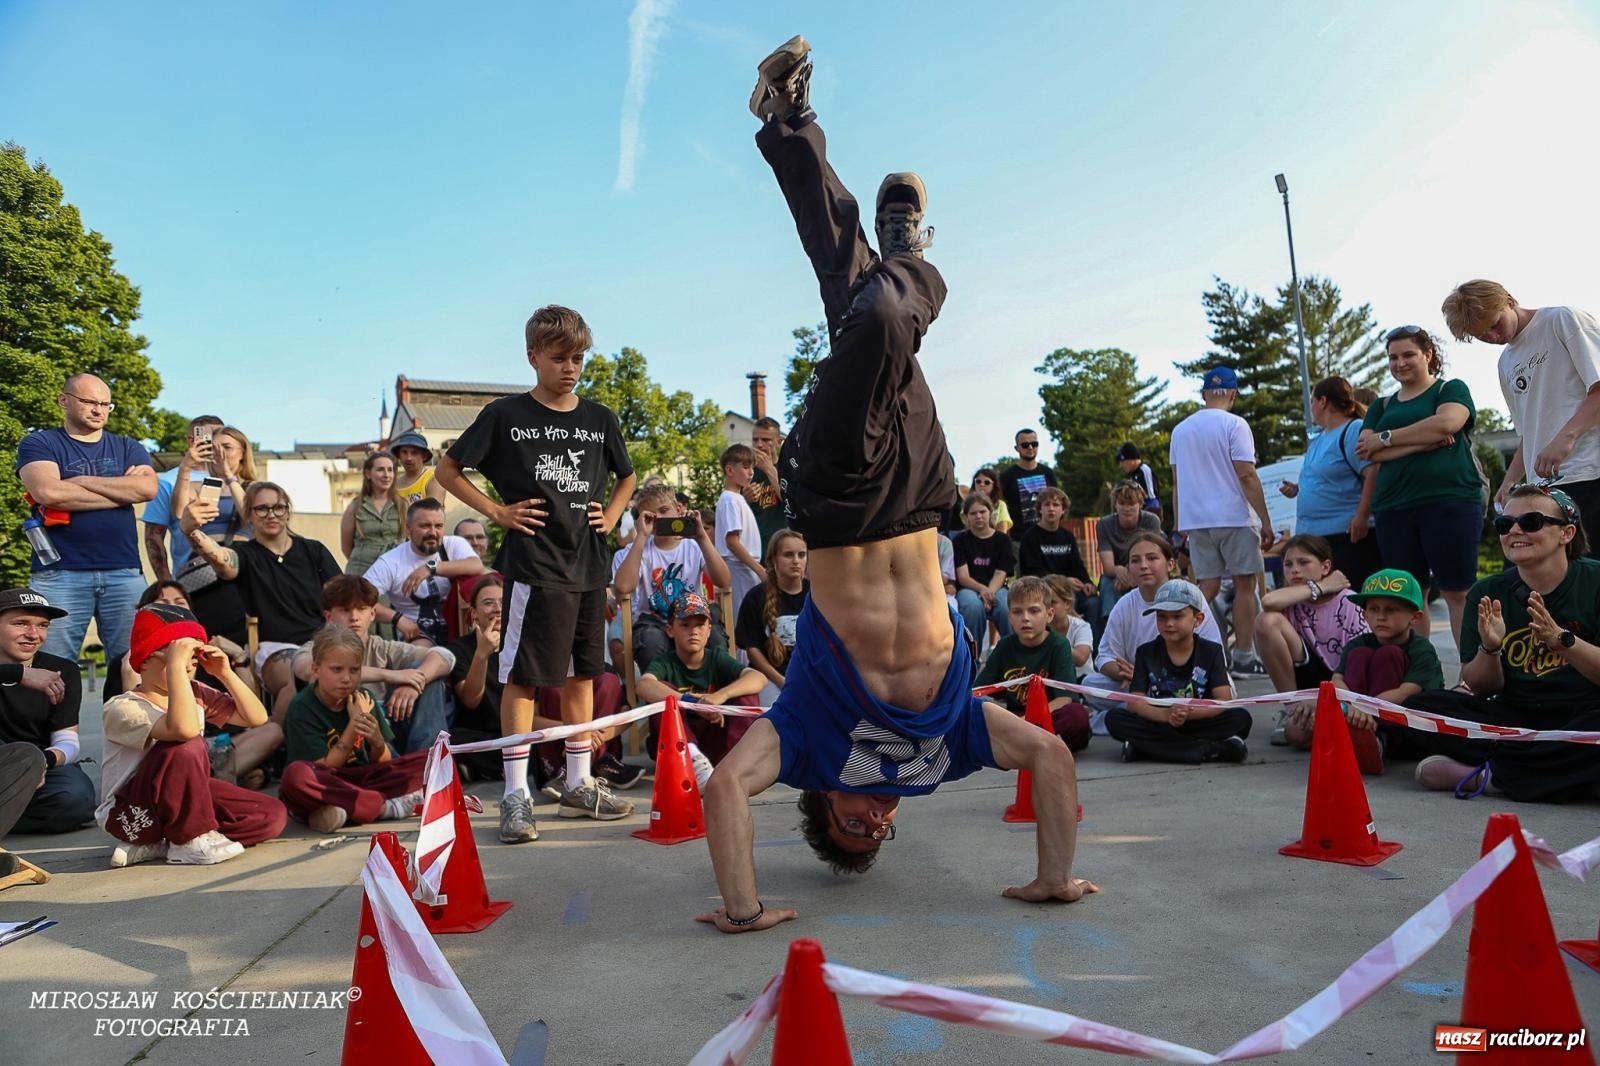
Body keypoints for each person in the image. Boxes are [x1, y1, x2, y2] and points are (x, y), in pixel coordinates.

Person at [698, 37, 1093, 935]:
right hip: (920, 497)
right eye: (879, 829)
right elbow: (1051, 762)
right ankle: (787, 124)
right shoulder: (946, 750)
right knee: (856, 303)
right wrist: (1054, 879)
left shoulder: (803, 739)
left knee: (878, 312)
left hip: (836, 502)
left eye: (852, 823)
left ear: (818, 805)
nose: (875, 813)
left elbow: (724, 787)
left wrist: (742, 906)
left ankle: (909, 253)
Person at [437, 303, 639, 842]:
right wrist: (498, 513)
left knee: (582, 676)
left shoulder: (600, 418)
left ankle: (577, 784)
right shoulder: (506, 414)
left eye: (578, 358)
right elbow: (448, 470)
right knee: (524, 678)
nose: (570, 367)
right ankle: (517, 794)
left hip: (589, 564)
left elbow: (628, 475)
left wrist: (614, 514)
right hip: (535, 564)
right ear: (533, 357)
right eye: (559, 358)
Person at [1403, 487, 1600, 802]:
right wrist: (1490, 648)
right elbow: (1479, 685)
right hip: (1516, 716)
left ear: (1567, 533)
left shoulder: (1595, 581)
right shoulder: (1487, 592)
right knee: (1421, 710)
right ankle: (1571, 776)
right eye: (1505, 524)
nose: (1515, 531)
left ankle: (1492, 776)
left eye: (1531, 521)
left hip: (1586, 712)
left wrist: (1563, 641)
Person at [97, 604, 287, 867]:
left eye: (193, 659)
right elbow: (182, 730)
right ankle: (187, 839)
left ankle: (171, 841)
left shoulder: (195, 692)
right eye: (176, 657)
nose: (187, 666)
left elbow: (257, 718)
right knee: (186, 745)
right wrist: (176, 665)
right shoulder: (122, 708)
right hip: (130, 814)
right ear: (146, 660)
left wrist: (225, 674)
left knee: (271, 814)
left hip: (181, 800)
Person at [1443, 280, 1600, 553]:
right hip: (1547, 488)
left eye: (1494, 324)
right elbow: (1529, 431)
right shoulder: (1505, 362)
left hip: (1590, 472)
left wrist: (1566, 438)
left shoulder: (1561, 320)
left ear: (1510, 300)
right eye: (1481, 335)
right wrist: (1509, 480)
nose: (1492, 337)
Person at [446, 576, 635, 796]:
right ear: (474, 613)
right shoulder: (461, 649)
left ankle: (583, 764)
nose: (497, 609)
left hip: (542, 734)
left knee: (603, 681)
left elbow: (626, 710)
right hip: (494, 735)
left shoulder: (531, 644)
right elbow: (470, 700)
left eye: (502, 602)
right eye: (488, 603)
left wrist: (585, 732)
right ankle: (595, 764)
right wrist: (481, 655)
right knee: (457, 739)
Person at [16, 373, 158, 664]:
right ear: (63, 400)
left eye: (106, 404)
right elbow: (48, 492)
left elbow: (147, 488)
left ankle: (126, 713)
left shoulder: (128, 447)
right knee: (54, 666)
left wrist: (78, 480)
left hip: (124, 572)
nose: (99, 410)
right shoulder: (39, 443)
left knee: (136, 664)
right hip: (59, 574)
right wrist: (121, 491)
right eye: (90, 402)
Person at [1355, 326, 1483, 646]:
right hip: (1393, 507)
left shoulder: (1450, 389)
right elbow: (1365, 450)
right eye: (1393, 357)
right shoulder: (1381, 405)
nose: (1400, 363)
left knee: (1458, 591)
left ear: (1428, 355)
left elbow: (1446, 423)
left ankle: (1472, 678)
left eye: (1408, 354)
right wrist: (1420, 443)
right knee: (1410, 594)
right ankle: (1421, 675)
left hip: (1450, 501)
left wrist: (1385, 439)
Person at [180, 481, 343, 721]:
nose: (272, 514)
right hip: (274, 648)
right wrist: (192, 531)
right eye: (262, 509)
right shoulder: (245, 554)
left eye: (278, 507)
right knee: (299, 678)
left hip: (322, 643)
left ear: (288, 512)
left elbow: (341, 597)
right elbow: (224, 562)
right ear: (249, 515)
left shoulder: (313, 550)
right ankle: (274, 738)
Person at [1169, 366, 1275, 674]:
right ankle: (1244, 655)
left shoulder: (1181, 429)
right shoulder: (1235, 424)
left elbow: (1177, 482)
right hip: (1233, 516)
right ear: (1233, 393)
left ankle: (1191, 650)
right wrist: (1265, 520)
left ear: (1203, 394)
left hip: (1196, 519)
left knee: (1207, 587)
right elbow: (1247, 474)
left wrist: (1179, 524)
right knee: (1244, 583)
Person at [280, 626, 427, 832]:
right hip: (325, 782)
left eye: (354, 670)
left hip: (360, 780)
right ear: (316, 669)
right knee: (296, 777)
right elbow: (324, 768)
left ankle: (338, 812)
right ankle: (384, 808)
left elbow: (384, 762)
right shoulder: (302, 707)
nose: (347, 678)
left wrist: (376, 740)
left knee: (428, 761)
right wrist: (354, 725)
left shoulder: (364, 697)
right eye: (337, 670)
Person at [290, 576, 456, 755]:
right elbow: (309, 670)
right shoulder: (315, 648)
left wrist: (416, 682)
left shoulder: (382, 647)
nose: (354, 618)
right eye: (345, 610)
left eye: (361, 609)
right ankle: (418, 767)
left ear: (372, 614)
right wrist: (390, 675)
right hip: (343, 736)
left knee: (429, 677)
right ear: (329, 617)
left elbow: (445, 656)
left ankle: (429, 762)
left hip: (387, 730)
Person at [1082, 534, 1223, 733]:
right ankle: (1151, 713)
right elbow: (1104, 657)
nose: (1144, 565)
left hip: (1188, 684)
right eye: (1135, 560)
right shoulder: (1124, 605)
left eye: (1152, 558)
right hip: (1138, 685)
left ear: (1170, 563)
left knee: (1226, 694)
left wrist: (1153, 676)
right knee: (1090, 685)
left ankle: (1140, 717)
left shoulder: (1191, 596)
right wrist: (1132, 673)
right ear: (1128, 568)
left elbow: (1213, 653)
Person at [1104, 579, 1249, 764]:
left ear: (1198, 619)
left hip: (1198, 719)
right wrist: (1166, 716)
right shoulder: (1145, 652)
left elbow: (1223, 699)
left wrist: (1189, 713)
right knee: (1115, 719)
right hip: (1160, 721)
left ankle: (1145, 750)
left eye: (1177, 616)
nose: (1169, 623)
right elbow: (1135, 702)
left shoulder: (1211, 651)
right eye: (1162, 616)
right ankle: (1208, 750)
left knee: (1241, 718)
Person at [1319, 569, 1444, 776]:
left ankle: (1378, 741)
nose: (1381, 617)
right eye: (1374, 609)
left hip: (1409, 730)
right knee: (1359, 655)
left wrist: (1365, 709)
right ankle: (1355, 734)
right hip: (1362, 714)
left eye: (1392, 609)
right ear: (1364, 613)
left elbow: (1405, 692)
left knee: (1389, 654)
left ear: (1415, 617)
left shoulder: (1422, 649)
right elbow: (1337, 679)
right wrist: (1351, 708)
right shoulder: (1357, 644)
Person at [1254, 535, 1368, 746]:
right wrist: (1321, 586)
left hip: (1344, 684)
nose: (1294, 570)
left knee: (1299, 735)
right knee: (1266, 621)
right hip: (1308, 686)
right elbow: (1268, 601)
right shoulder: (1289, 600)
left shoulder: (1348, 601)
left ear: (1325, 567)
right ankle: (1293, 707)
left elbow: (1361, 662)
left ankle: (1334, 724)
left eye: (1303, 562)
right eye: (1288, 564)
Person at [0, 588, 94, 833]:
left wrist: (43, 762)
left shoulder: (62, 671)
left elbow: (68, 743)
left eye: (42, 625)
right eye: (20, 623)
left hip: (42, 767)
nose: (33, 635)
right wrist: (19, 673)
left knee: (77, 799)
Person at [1276, 377, 1384, 588]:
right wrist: (1298, 490)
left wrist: (1362, 516)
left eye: (1313, 401)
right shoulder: (1320, 438)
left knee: (1350, 602)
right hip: (1314, 537)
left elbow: (1373, 472)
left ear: (1323, 401)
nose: (1312, 407)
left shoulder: (1353, 429)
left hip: (1346, 538)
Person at [613, 484, 733, 673]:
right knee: (650, 642)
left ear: (678, 510)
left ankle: (714, 691)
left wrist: (701, 537)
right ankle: (661, 693)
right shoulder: (639, 550)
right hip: (653, 623)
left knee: (716, 637)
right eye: (651, 516)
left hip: (692, 619)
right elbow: (623, 587)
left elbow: (724, 581)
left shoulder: (693, 546)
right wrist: (641, 537)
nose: (659, 518)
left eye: (664, 510)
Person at [637, 592, 767, 765]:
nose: (694, 632)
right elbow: (644, 685)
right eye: (685, 625)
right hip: (678, 746)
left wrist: (719, 696)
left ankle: (740, 761)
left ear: (709, 631)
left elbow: (758, 678)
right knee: (663, 694)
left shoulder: (716, 658)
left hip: (714, 739)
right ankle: (693, 759)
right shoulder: (665, 662)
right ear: (670, 630)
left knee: (745, 693)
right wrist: (692, 703)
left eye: (700, 625)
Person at [974, 577, 1087, 751]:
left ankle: (1026, 743)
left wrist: (1028, 720)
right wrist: (1005, 716)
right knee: (974, 714)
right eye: (1017, 612)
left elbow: (1065, 698)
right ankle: (1037, 743)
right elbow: (978, 692)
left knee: (1077, 716)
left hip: (1048, 715)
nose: (1025, 618)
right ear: (1009, 616)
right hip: (1016, 718)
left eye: (1034, 611)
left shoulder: (1059, 644)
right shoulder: (1004, 646)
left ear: (1049, 615)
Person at [362, 498, 485, 646]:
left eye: (438, 526)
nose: (433, 532)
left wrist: (430, 568)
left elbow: (476, 565)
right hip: (416, 636)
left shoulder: (452, 545)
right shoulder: (391, 562)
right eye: (425, 526)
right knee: (424, 654)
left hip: (461, 632)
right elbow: (359, 598)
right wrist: (397, 618)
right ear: (408, 529)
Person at [143, 415, 226, 582]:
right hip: (191, 577)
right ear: (191, 440)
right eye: (211, 436)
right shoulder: (167, 481)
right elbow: (154, 536)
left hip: (235, 572)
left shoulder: (233, 478)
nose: (216, 442)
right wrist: (166, 583)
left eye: (221, 436)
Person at [736, 529, 809, 703]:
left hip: (810, 677)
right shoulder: (755, 597)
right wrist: (781, 681)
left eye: (801, 555)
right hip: (769, 677)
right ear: (773, 560)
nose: (796, 561)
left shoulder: (816, 595)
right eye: (788, 555)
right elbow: (752, 650)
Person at [1017, 486, 1098, 633]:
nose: (1051, 509)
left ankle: (1091, 648)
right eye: (1046, 505)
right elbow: (1031, 572)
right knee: (1060, 604)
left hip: (1069, 592)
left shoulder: (1067, 537)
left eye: (1056, 505)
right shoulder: (1030, 537)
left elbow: (1077, 566)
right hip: (1042, 592)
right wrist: (1064, 581)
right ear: (1040, 509)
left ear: (1063, 510)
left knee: (1094, 603)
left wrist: (1087, 583)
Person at [1095, 481, 1164, 630]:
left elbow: (1154, 556)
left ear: (1140, 504)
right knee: (1107, 582)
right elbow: (1108, 567)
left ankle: (1154, 622)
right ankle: (1112, 626)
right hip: (1117, 576)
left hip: (1145, 570)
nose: (1127, 508)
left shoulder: (1151, 521)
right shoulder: (1104, 524)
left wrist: (1132, 573)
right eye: (1122, 503)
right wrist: (1119, 570)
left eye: (1131, 503)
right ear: (1116, 505)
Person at [953, 492, 1015, 649]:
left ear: (990, 513)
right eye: (973, 513)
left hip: (997, 587)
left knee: (1005, 607)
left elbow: (1001, 572)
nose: (978, 516)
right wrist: (983, 591)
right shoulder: (960, 540)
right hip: (969, 588)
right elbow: (963, 576)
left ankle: (1014, 657)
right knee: (972, 606)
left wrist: (990, 592)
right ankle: (972, 657)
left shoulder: (1002, 540)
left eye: (982, 512)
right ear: (966, 517)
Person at [715, 443, 768, 619]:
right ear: (730, 471)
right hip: (740, 568)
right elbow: (732, 541)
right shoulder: (730, 500)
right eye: (745, 467)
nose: (751, 472)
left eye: (752, 467)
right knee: (744, 619)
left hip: (745, 568)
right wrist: (759, 570)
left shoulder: (736, 498)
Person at [340, 452, 404, 577]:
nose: (386, 475)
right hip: (361, 572)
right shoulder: (355, 506)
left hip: (394, 572)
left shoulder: (403, 505)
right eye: (380, 470)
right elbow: (346, 546)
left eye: (390, 470)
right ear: (368, 474)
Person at [745, 417, 790, 555]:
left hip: (782, 547)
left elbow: (792, 501)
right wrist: (744, 499)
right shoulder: (745, 471)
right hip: (753, 548)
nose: (759, 445)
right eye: (755, 439)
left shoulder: (789, 469)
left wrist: (769, 469)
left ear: (778, 442)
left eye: (766, 440)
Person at [999, 428, 1057, 533]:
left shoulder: (1048, 473)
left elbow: (1057, 503)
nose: (1030, 447)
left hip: (1046, 534)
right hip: (1019, 538)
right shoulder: (1006, 477)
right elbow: (1002, 510)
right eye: (1025, 445)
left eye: (1034, 444)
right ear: (1017, 448)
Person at [1043, 575, 1095, 671]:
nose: (1047, 607)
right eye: (1043, 602)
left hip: (1081, 681)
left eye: (1052, 602)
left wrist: (1051, 638)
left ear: (1067, 604)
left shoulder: (1081, 626)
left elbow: (1081, 659)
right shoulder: (1040, 627)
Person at [390, 430, 446, 506]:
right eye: (404, 452)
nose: (409, 458)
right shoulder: (393, 484)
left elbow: (432, 515)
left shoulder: (433, 480)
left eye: (414, 453)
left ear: (424, 456)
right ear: (398, 455)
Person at [1115, 443, 1161, 520]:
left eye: (1122, 461)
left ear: (1130, 459)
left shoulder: (1144, 471)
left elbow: (1152, 499)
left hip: (1146, 518)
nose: (1121, 466)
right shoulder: (1133, 475)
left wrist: (1147, 519)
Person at [967, 467, 1013, 534]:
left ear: (993, 486)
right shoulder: (968, 504)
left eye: (987, 482)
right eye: (978, 481)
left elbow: (1002, 531)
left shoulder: (1000, 505)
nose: (982, 484)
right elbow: (968, 527)